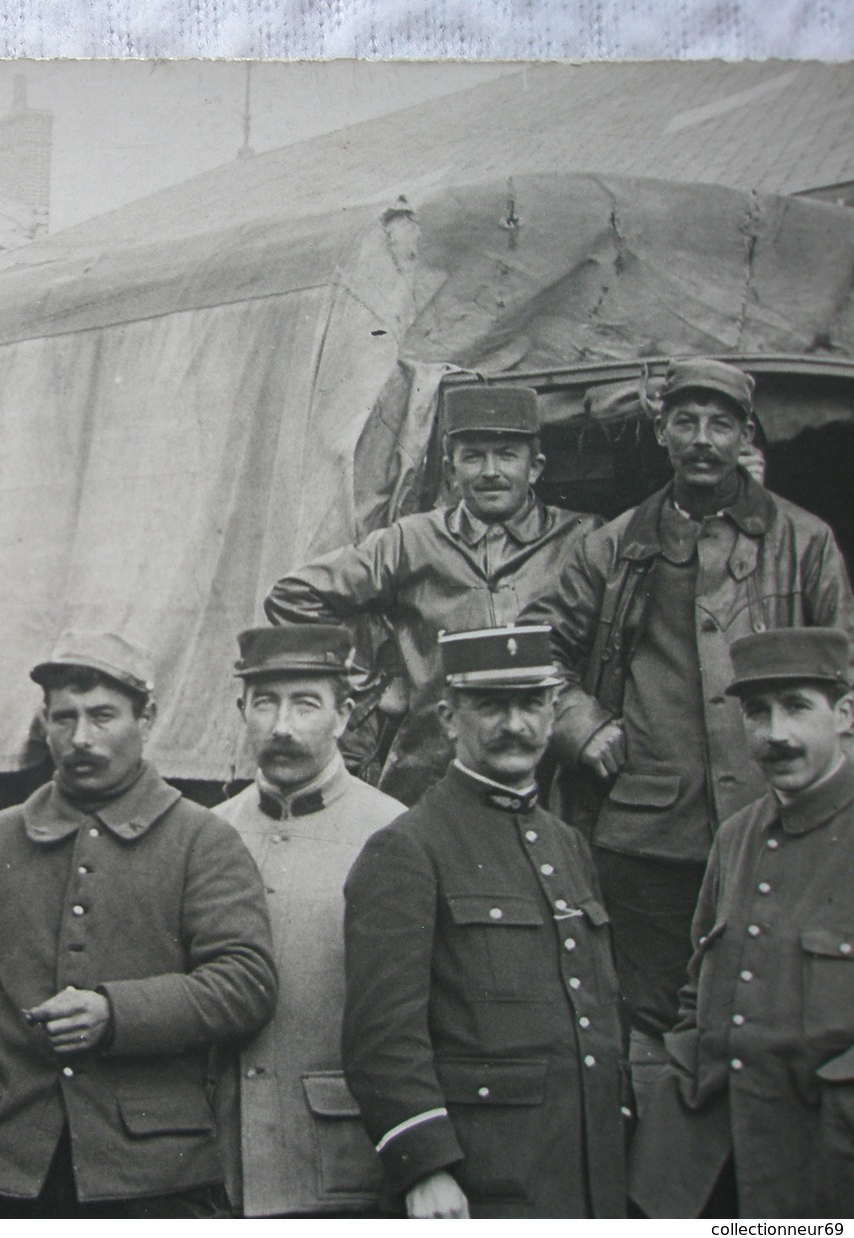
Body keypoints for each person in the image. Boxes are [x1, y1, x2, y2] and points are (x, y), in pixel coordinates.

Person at [527, 357, 854, 1062]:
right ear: (660, 433)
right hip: (647, 837)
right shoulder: (609, 547)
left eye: (720, 422)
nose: (702, 438)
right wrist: (582, 727)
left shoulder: (804, 542)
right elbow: (533, 654)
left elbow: (844, 668)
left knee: (778, 1013)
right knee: (654, 1027)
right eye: (685, 421)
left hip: (780, 815)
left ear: (744, 435)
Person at [0, 629, 276, 1217]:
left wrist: (115, 1012)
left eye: (103, 716)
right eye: (63, 718)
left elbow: (246, 984)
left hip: (149, 1174)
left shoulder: (203, 840)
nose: (80, 738)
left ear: (146, 717)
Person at [342, 625, 627, 1218]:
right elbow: (383, 1038)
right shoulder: (408, 848)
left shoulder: (568, 845)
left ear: (553, 713)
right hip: (476, 1184)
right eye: (491, 706)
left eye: (530, 704)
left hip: (587, 1173)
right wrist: (425, 1166)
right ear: (449, 718)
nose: (515, 726)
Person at [266, 383, 599, 804]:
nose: (491, 471)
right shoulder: (414, 540)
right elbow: (294, 595)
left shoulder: (583, 538)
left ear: (535, 468)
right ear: (450, 469)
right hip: (433, 772)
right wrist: (369, 684)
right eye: (473, 456)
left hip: (548, 772)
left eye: (507, 455)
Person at [630, 628, 854, 1218]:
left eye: (797, 708)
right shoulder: (736, 837)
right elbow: (694, 991)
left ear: (845, 714)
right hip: (702, 1161)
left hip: (824, 1167)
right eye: (757, 713)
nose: (775, 734)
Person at [212, 624, 404, 1216]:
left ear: (344, 715)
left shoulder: (394, 835)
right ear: (242, 709)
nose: (283, 727)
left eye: (306, 703)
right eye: (265, 702)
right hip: (218, 1163)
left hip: (339, 1164)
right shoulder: (208, 833)